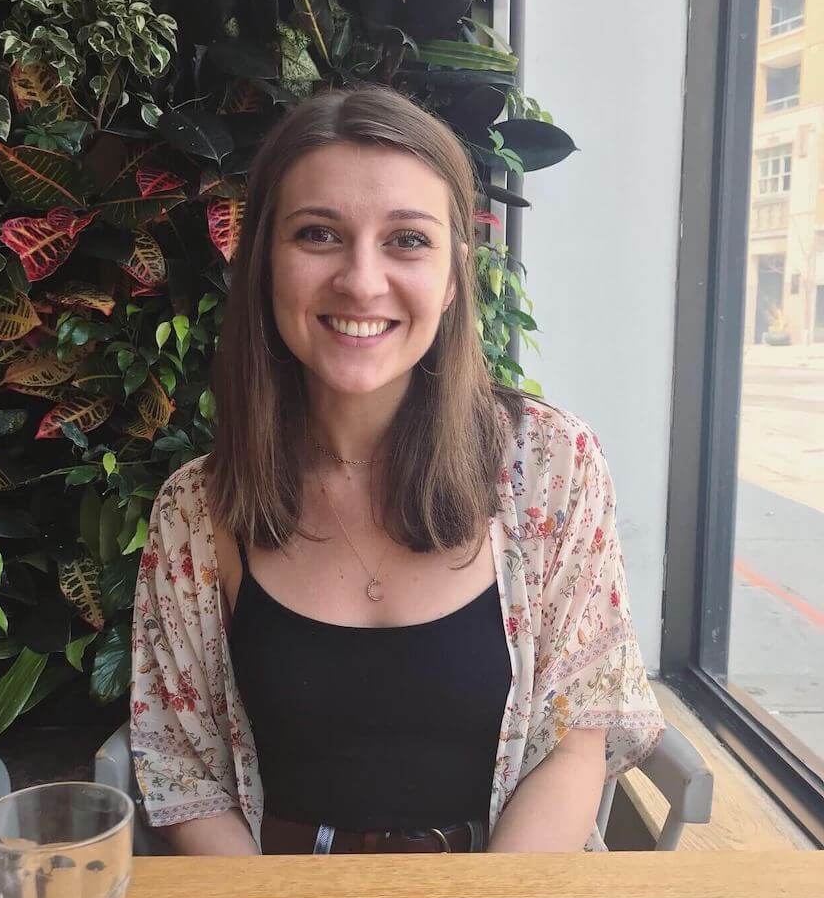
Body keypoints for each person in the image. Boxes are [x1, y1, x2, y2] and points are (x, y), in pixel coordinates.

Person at [130, 83, 666, 856]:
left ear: (453, 279)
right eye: (318, 234)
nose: (362, 281)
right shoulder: (197, 508)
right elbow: (182, 771)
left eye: (407, 240)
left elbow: (574, 738)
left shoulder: (552, 468)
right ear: (264, 268)